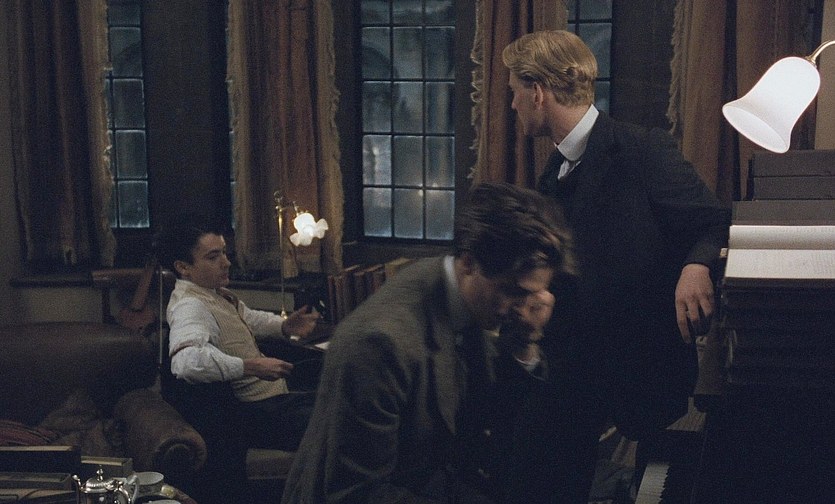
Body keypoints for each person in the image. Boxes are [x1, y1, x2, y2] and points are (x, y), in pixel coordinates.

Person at [502, 29, 732, 495]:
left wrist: (696, 267)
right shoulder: (553, 169)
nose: (512, 105)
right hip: (571, 366)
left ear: (538, 92)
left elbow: (714, 222)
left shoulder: (642, 150)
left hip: (637, 367)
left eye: (515, 92)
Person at [281, 182, 580, 503]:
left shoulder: (472, 291)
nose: (523, 308)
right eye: (513, 291)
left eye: (532, 293)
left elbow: (497, 415)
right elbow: (356, 493)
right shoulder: (379, 343)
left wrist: (526, 343)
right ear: (469, 263)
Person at [154, 217, 322, 452]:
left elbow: (248, 318)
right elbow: (186, 363)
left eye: (224, 252)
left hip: (277, 393)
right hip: (258, 412)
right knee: (341, 416)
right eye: (213, 257)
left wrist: (284, 326)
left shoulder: (215, 293)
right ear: (183, 267)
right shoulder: (190, 306)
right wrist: (248, 367)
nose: (226, 263)